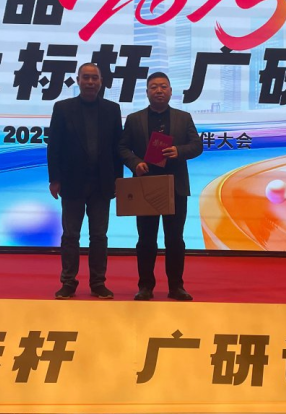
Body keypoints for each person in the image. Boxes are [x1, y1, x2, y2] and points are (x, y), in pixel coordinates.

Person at [119, 72, 203, 301]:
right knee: (146, 239)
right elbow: (122, 148)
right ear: (147, 92)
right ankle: (145, 286)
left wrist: (179, 151)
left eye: (163, 86)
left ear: (171, 91)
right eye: (154, 87)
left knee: (175, 239)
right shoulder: (134, 119)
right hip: (145, 185)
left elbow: (197, 146)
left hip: (175, 187)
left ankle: (176, 287)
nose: (159, 90)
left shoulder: (183, 118)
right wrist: (135, 163)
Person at [47, 63, 123, 300]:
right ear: (78, 80)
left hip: (102, 184)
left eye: (94, 78)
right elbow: (54, 146)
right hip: (72, 183)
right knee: (71, 235)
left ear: (101, 82)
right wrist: (54, 179)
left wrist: (119, 180)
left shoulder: (112, 109)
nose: (90, 82)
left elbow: (117, 148)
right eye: (86, 78)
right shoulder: (63, 108)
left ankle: (98, 283)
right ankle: (68, 282)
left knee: (99, 236)